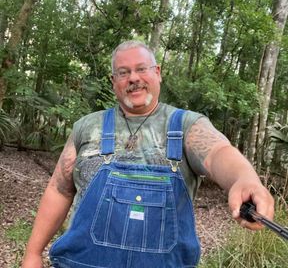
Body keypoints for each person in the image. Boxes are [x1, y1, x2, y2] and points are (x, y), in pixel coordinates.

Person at [22, 40, 274, 268]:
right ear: (113, 82)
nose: (133, 78)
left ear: (158, 73)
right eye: (123, 72)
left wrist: (245, 179)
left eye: (142, 69)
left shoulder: (187, 125)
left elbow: (219, 152)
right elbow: (59, 190)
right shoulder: (87, 127)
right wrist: (33, 253)